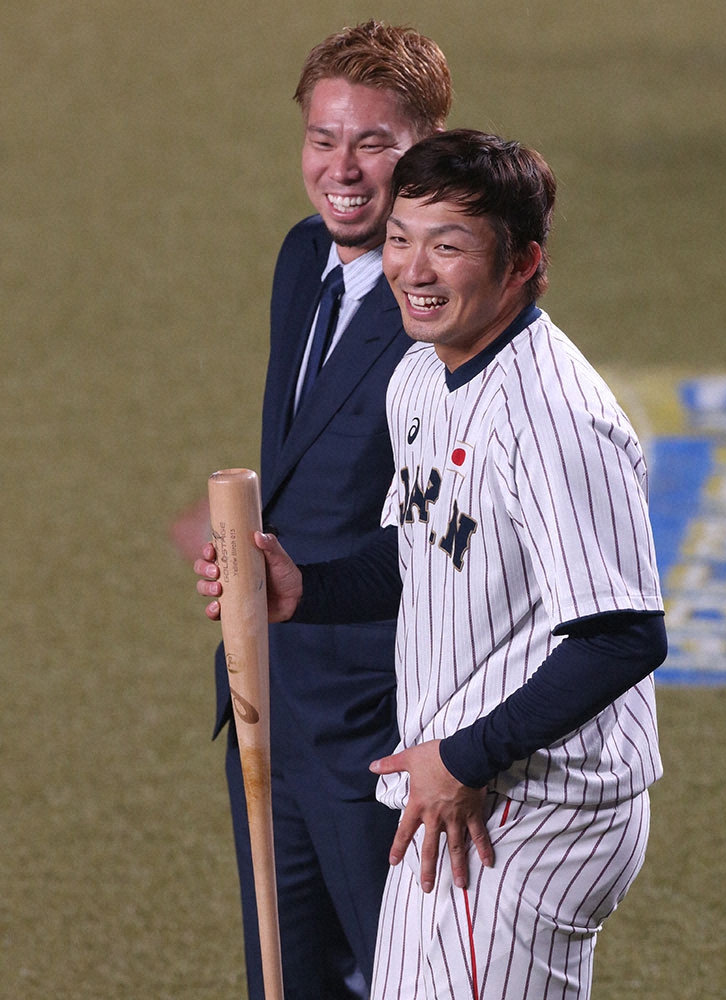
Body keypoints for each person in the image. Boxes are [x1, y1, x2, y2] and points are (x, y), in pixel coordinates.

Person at [199, 129, 668, 999]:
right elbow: (421, 545)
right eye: (401, 239)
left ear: (523, 263)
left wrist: (465, 758)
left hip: (539, 807)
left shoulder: (553, 420)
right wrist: (308, 587)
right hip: (457, 788)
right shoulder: (421, 373)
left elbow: (624, 636)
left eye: (447, 247)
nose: (413, 270)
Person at [190, 22, 453, 1000]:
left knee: (406, 980)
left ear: (426, 149)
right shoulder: (303, 258)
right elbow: (305, 471)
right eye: (323, 138)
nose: (341, 169)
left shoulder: (443, 312)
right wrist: (253, 565)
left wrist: (306, 584)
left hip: (383, 729)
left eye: (373, 144)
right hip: (272, 696)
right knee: (284, 978)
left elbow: (449, 536)